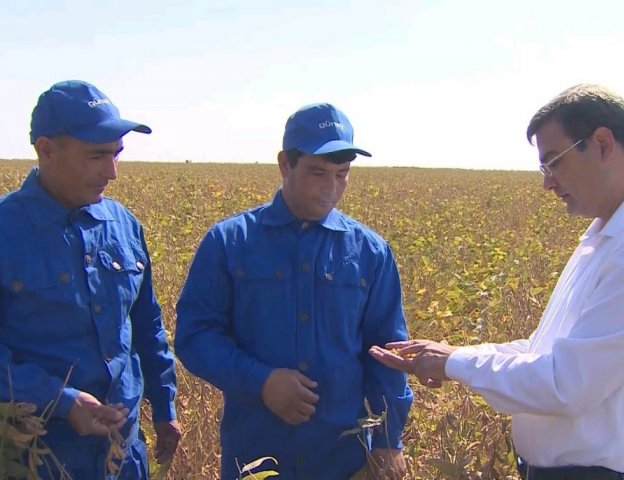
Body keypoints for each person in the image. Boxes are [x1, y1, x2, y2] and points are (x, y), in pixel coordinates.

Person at [370, 84, 624, 479]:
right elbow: (544, 352)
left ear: (602, 144)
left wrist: (455, 363)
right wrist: (451, 355)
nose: (547, 182)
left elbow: (566, 384)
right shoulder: (610, 235)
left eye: (553, 162)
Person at [175, 103, 413, 479]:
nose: (331, 188)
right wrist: (262, 381)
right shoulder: (229, 242)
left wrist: (388, 439)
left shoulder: (370, 252)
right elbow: (195, 337)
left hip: (342, 460)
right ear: (285, 164)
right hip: (255, 457)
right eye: (318, 173)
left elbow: (387, 353)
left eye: (342, 174)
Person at [0, 80, 181, 479]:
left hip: (124, 457)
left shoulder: (123, 225)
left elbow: (147, 325)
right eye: (97, 156)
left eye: (117, 154)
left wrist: (164, 406)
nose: (112, 172)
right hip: (38, 458)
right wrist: (60, 401)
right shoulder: (5, 231)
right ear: (46, 150)